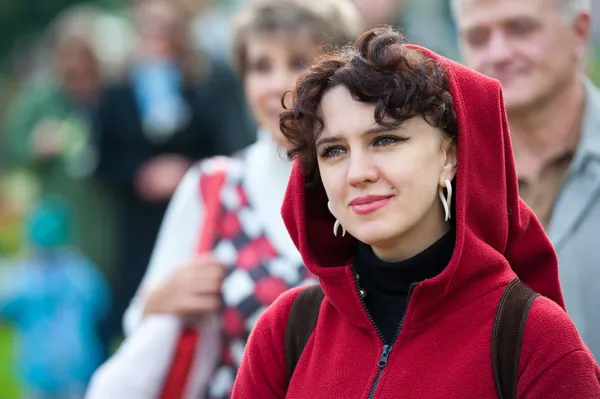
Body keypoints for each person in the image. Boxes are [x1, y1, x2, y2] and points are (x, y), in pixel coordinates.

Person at [232, 26, 600, 398]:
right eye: (334, 151)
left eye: (386, 139)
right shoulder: (286, 330)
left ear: (450, 155)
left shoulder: (535, 340)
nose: (357, 173)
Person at [85, 1, 362, 398]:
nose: (278, 84)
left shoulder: (367, 180)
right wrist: (158, 303)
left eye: (300, 62)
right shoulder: (216, 185)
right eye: (261, 66)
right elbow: (140, 325)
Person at [93, 0, 256, 345]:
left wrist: (185, 169)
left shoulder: (205, 84)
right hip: (138, 220)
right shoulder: (118, 92)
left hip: (196, 210)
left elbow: (228, 144)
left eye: (163, 33)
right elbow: (103, 158)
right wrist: (139, 174)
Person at [452, 0, 600, 361]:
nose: (498, 53)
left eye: (521, 29)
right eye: (478, 37)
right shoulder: (442, 177)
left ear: (580, 31)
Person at [0, 197, 110, 399]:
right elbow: (100, 305)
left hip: (39, 364)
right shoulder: (80, 269)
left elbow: (6, 307)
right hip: (75, 363)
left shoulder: (26, 274)